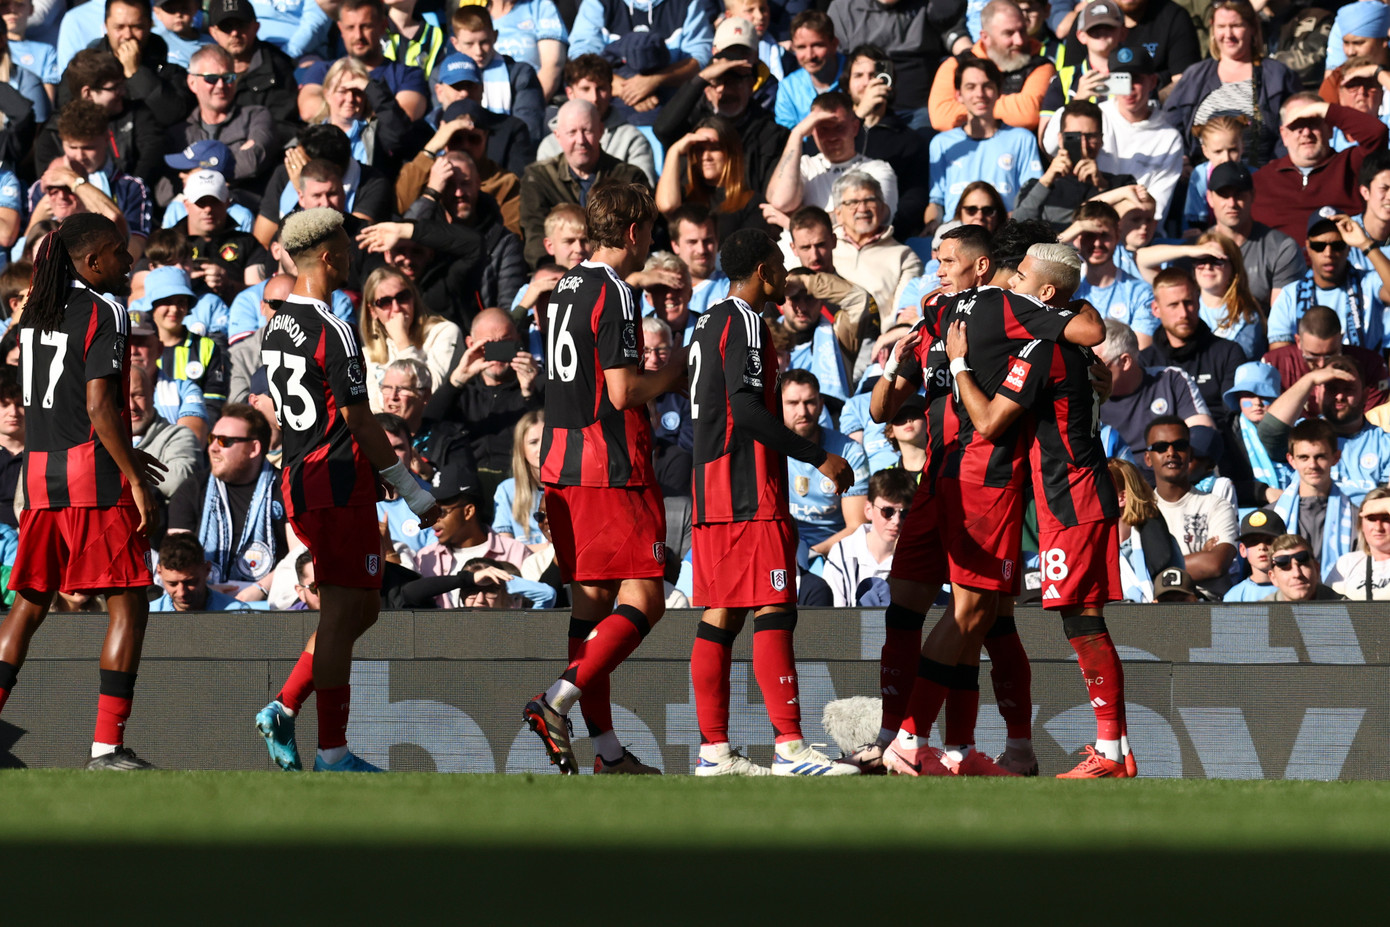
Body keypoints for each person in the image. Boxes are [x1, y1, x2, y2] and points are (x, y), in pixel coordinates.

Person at [873, 240, 1106, 778]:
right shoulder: (936, 317)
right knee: (921, 611)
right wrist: (896, 364)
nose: (937, 270)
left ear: (984, 269)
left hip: (989, 480)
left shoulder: (1005, 307)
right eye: (934, 260)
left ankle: (945, 743)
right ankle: (904, 737)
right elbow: (883, 408)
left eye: (947, 260)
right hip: (935, 482)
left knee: (982, 616)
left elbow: (1088, 333)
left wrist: (960, 360)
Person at [254, 207, 440, 774]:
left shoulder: (279, 322)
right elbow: (360, 421)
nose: (352, 254)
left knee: (361, 609)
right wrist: (408, 487)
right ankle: (331, 751)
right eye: (345, 245)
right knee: (341, 612)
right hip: (333, 479)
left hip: (309, 475)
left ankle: (284, 706)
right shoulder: (335, 329)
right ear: (331, 255)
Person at [946, 240, 1134, 777]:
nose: (1009, 282)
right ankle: (1113, 749)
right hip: (1071, 495)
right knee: (1081, 621)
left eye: (1021, 275)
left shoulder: (1042, 351)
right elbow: (1088, 329)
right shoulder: (1069, 346)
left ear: (1046, 294)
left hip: (1070, 500)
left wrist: (960, 363)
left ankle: (1111, 754)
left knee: (1083, 621)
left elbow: (986, 422)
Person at [523, 182, 688, 776]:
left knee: (590, 612)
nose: (652, 242)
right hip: (610, 467)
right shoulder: (616, 292)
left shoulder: (564, 285)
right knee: (647, 598)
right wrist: (674, 373)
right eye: (649, 231)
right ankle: (555, 702)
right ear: (632, 233)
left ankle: (610, 755)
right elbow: (621, 392)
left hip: (561, 466)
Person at [686, 228, 857, 777]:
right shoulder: (746, 322)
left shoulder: (706, 321)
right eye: (779, 264)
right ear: (762, 270)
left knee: (723, 614)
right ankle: (789, 747)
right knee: (774, 608)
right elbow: (748, 410)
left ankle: (714, 752)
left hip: (710, 488)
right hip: (747, 487)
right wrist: (817, 456)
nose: (785, 274)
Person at [0, 213, 165, 770]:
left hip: (41, 480)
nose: (129, 260)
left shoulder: (34, 314)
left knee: (25, 609)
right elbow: (97, 406)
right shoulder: (106, 309)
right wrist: (135, 478)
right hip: (94, 483)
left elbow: (59, 399)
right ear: (93, 262)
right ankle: (106, 747)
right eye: (119, 252)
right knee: (130, 607)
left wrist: (125, 451)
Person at [166, 403, 287, 599]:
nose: (212, 447)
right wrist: (206, 592)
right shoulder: (192, 489)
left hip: (271, 601)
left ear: (253, 448)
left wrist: (259, 590)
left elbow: (300, 555)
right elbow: (175, 558)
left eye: (224, 441)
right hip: (201, 600)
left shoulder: (284, 487)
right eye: (211, 439)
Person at [1160, 0, 1299, 167]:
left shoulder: (1278, 75)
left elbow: (1293, 132)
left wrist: (1272, 174)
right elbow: (1169, 128)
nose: (1228, 34)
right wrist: (1182, 162)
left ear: (1252, 28)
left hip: (1262, 178)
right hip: (1203, 179)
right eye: (1221, 26)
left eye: (1236, 25)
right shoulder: (1195, 76)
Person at [519, 99, 649, 269]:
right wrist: (552, 272)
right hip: (559, 272)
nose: (580, 140)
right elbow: (534, 232)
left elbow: (641, 234)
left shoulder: (628, 178)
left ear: (601, 131)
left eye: (587, 131)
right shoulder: (538, 178)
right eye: (572, 132)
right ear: (558, 136)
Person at [422, 307, 542, 483]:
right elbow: (426, 425)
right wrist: (456, 382)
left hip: (519, 483)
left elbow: (550, 438)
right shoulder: (461, 393)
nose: (498, 354)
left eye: (505, 343)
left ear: (518, 341)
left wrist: (529, 393)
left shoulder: (537, 385)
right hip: (467, 486)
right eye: (489, 345)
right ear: (471, 344)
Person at [1253, 95, 1389, 247]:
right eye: (1297, 126)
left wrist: (1323, 109)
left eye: (1313, 122)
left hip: (1345, 263)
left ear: (1330, 129)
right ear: (1284, 135)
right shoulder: (1261, 180)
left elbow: (1377, 133)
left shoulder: (1352, 164)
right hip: (1283, 267)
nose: (1306, 133)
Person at [926, 56, 1043, 228]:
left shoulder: (1022, 139)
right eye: (970, 87)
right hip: (955, 235)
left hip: (1004, 233)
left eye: (987, 86)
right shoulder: (942, 143)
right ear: (959, 95)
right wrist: (933, 224)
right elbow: (936, 201)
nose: (979, 94)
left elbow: (1031, 198)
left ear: (998, 91)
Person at [1259, 355, 1390, 507]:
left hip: (1360, 524)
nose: (1340, 396)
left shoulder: (1384, 444)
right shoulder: (1304, 434)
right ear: (1318, 394)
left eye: (1348, 389)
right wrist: (1309, 380)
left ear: (1365, 395)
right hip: (1305, 521)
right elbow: (1270, 432)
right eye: (1332, 389)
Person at [1138, 266, 1246, 432]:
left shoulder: (1228, 353)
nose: (1183, 313)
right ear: (1156, 310)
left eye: (1188, 303)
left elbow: (1232, 419)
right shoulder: (1144, 362)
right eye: (1173, 305)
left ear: (1198, 302)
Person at [1268, 209, 1390, 351]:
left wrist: (1366, 244)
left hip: (1364, 370)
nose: (1328, 253)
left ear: (1348, 248)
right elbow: (1281, 357)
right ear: (1307, 246)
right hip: (1309, 371)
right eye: (1319, 246)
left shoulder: (1368, 282)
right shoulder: (1289, 296)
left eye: (1337, 246)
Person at [1145, 415, 1238, 599]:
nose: (1171, 452)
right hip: (1155, 609)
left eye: (1179, 445)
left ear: (1190, 453)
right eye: (1161, 447)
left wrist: (1153, 569)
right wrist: (1199, 557)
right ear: (1148, 458)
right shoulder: (1140, 511)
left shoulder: (1217, 506)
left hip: (1208, 608)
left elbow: (1215, 564)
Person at [928, 0, 1056, 132]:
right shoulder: (956, 65)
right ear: (985, 37)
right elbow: (941, 117)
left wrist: (971, 106)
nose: (1019, 41)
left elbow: (1026, 114)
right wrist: (1005, 108)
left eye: (1022, 31)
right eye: (1009, 33)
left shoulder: (1041, 66)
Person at [768, 90, 899, 219]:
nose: (831, 137)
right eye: (823, 129)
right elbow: (781, 202)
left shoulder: (877, 169)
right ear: (812, 131)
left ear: (855, 127)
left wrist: (794, 221)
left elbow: (872, 218)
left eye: (839, 128)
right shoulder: (804, 166)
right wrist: (796, 134)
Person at [1138, 231, 1265, 359]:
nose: (1208, 266)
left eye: (1217, 260)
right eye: (1201, 260)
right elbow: (1142, 259)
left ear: (1233, 267)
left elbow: (1236, 362)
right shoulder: (1181, 298)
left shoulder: (1247, 316)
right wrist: (1190, 251)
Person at [535, 55, 657, 186]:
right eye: (585, 89)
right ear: (570, 93)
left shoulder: (632, 139)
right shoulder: (549, 146)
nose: (594, 98)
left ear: (611, 90)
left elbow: (643, 194)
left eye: (601, 89)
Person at [1015, 100, 1135, 230]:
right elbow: (1016, 230)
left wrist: (1102, 187)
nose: (1083, 144)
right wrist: (1045, 182)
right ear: (1060, 139)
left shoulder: (1123, 184)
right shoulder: (1034, 187)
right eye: (1074, 137)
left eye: (1090, 137)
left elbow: (1129, 230)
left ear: (1101, 139)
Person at [827, 0, 954, 118]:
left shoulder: (930, 5)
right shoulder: (843, 8)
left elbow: (955, 35)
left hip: (918, 109)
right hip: (861, 110)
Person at [655, 115, 773, 242]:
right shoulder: (685, 197)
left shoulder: (752, 203)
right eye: (699, 150)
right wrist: (674, 150)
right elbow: (667, 206)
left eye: (715, 149)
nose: (706, 156)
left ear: (732, 153)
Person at [358, 265, 460, 410]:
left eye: (402, 297)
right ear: (373, 311)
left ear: (414, 297)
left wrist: (403, 342)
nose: (396, 308)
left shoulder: (444, 332)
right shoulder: (368, 354)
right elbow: (373, 408)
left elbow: (431, 391)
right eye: (385, 302)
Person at [1205, 162, 1305, 308]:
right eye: (1224, 195)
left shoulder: (1282, 248)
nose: (1232, 203)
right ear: (1210, 198)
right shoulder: (1196, 249)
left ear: (1252, 195)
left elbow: (1282, 320)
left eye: (1239, 195)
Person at [1270, 418, 1360, 578]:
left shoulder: (1357, 517)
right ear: (1291, 460)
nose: (1312, 465)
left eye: (1320, 456)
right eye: (1304, 457)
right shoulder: (1273, 515)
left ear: (1336, 457)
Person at [175, 43, 275, 186]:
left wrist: (198, 173)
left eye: (228, 78)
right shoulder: (181, 132)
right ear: (192, 83)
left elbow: (251, 161)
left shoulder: (256, 116)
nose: (221, 85)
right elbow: (164, 189)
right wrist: (232, 159)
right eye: (211, 78)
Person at [1263, 306, 1389, 417]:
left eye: (1330, 354)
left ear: (1341, 339)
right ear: (1298, 341)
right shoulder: (1274, 364)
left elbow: (1373, 420)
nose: (1322, 364)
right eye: (1313, 356)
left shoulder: (1371, 364)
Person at [830, 172, 923, 318]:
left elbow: (905, 314)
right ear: (838, 213)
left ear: (882, 208)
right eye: (853, 202)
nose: (862, 209)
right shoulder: (821, 246)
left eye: (870, 200)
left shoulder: (904, 256)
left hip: (877, 337)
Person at [1065, 200, 1156, 343]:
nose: (1097, 243)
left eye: (1104, 235)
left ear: (1117, 236)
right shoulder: (1065, 291)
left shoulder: (1142, 293)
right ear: (1076, 238)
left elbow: (1141, 350)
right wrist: (1067, 235)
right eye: (1089, 235)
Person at [822, 469, 915, 608]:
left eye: (904, 513)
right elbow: (834, 618)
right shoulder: (842, 554)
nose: (896, 520)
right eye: (887, 511)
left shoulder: (915, 557)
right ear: (868, 510)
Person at [1036, 0, 1126, 142]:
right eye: (1094, 28)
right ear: (1081, 36)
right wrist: (1078, 102)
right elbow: (1045, 140)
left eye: (1108, 27)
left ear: (1123, 32)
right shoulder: (1065, 77)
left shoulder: (1136, 77)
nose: (1101, 32)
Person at [1109, 457, 1184, 602]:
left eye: (1097, 490)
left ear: (1122, 497)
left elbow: (1179, 599)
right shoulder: (1088, 548)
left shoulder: (1161, 544)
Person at [1220, 361, 1292, 505]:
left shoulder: (1296, 429)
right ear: (1238, 399)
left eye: (1266, 396)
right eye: (1249, 395)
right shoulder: (1225, 435)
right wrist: (1264, 492)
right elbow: (1221, 485)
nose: (1257, 402)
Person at [151, 533, 270, 612]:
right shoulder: (148, 616)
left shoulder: (237, 613)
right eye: (172, 584)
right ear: (159, 572)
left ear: (207, 570)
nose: (182, 592)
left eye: (190, 582)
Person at [775, 10, 843, 129]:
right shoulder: (789, 88)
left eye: (817, 45)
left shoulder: (858, 74)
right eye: (801, 47)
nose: (810, 55)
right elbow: (785, 138)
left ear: (834, 44)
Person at [492, 409, 545, 546]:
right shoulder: (507, 490)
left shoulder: (573, 488)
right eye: (533, 442)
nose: (542, 448)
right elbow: (506, 549)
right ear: (522, 449)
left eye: (548, 439)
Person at [1326, 487, 1390, 599]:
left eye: (1386, 518)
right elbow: (1329, 610)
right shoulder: (1346, 563)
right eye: (1371, 518)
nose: (1378, 527)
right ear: (1361, 525)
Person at [1224, 508, 1287, 602]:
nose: (1262, 547)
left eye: (1269, 541)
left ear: (1284, 546)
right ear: (1242, 550)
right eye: (1253, 542)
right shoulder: (1234, 596)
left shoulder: (1295, 588)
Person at [1263, 533, 1346, 601]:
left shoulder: (1345, 608)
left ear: (1317, 569)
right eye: (1286, 568)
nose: (1296, 574)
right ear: (1273, 578)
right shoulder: (1260, 614)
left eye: (1303, 565)